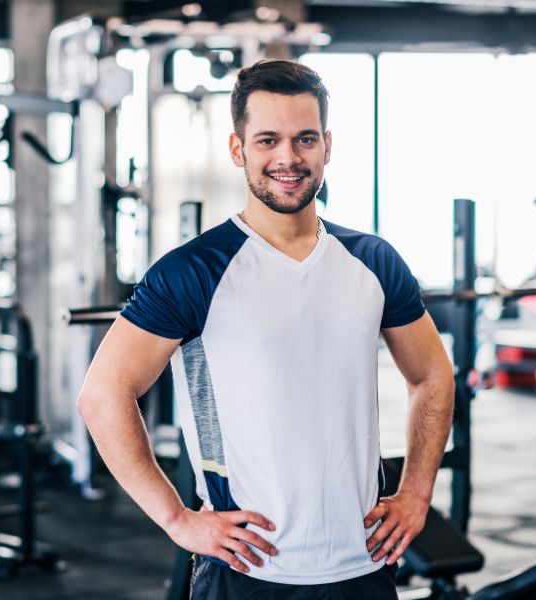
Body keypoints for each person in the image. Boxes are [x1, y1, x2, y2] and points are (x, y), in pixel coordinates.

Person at [77, 59, 455, 599]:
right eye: (268, 140)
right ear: (238, 150)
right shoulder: (195, 270)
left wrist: (416, 492)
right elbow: (102, 395)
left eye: (304, 139)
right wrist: (178, 520)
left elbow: (433, 375)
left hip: (362, 563)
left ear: (327, 145)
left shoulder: (373, 260)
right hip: (247, 570)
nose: (288, 158)